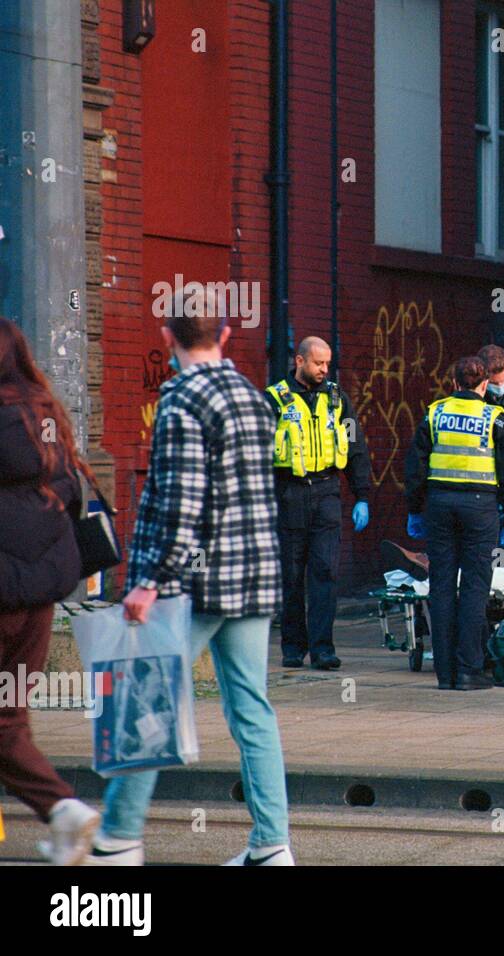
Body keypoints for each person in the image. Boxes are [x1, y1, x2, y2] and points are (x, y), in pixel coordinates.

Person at [91, 297, 293, 865]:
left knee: (146, 703)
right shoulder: (252, 397)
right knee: (252, 710)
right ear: (225, 334)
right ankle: (272, 846)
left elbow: (182, 506)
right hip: (252, 576)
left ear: (166, 335)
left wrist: (148, 581)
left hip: (195, 585)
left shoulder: (180, 402)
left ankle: (119, 838)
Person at [0, 317, 103, 865]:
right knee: (9, 716)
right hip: (39, 595)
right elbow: (68, 489)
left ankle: (64, 808)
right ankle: (64, 818)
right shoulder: (44, 413)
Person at [404, 356, 504, 690]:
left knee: (441, 586)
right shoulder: (495, 419)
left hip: (439, 505)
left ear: (454, 383)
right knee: (474, 587)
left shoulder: (435, 413)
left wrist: (415, 511)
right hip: (480, 508)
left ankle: (445, 674)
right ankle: (469, 671)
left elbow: (414, 468)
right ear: (484, 385)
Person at [265, 336, 371, 670]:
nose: (325, 370)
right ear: (299, 361)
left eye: (327, 364)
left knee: (325, 572)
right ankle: (293, 647)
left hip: (327, 491)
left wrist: (362, 495)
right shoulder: (273, 400)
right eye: (318, 363)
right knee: (292, 575)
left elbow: (355, 447)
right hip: (289, 493)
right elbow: (256, 454)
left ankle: (323, 648)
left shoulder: (338, 400)